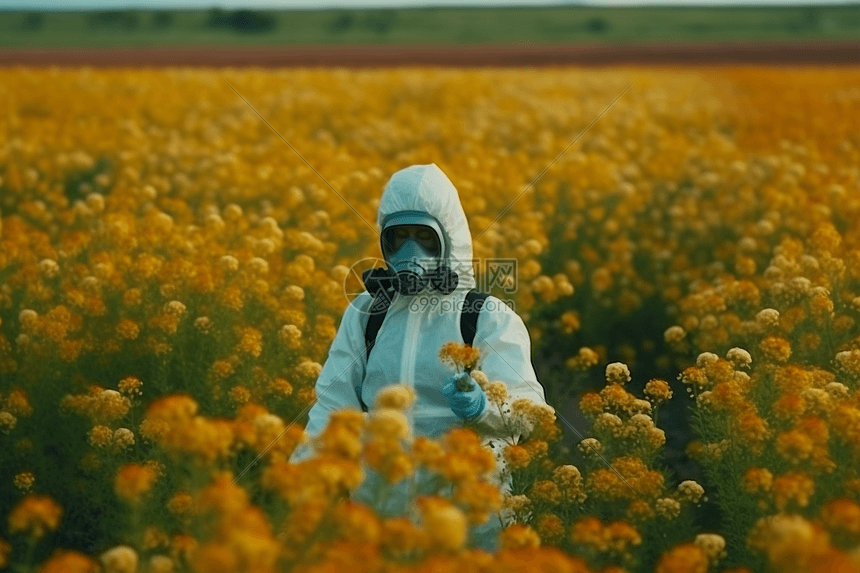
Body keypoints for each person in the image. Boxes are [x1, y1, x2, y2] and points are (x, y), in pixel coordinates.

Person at [288, 163, 550, 551]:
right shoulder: (366, 314)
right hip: (380, 508)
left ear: (449, 239)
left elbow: (531, 412)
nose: (411, 251)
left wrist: (484, 408)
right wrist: (300, 480)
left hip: (468, 515)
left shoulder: (484, 316)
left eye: (424, 237)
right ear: (384, 242)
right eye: (400, 237)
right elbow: (332, 403)